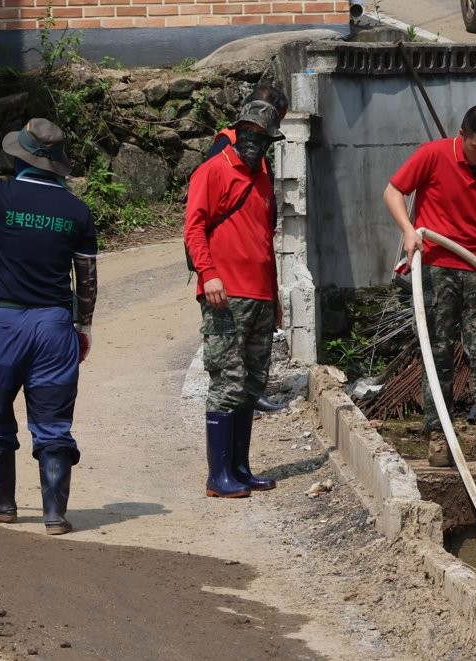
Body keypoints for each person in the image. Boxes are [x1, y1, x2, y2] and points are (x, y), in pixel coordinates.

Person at [0, 118, 98, 535]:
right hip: (54, 326)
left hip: (5, 325)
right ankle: (54, 513)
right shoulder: (76, 211)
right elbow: (86, 280)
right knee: (53, 422)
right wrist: (82, 329)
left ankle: (2, 501)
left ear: (19, 156)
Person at [384, 103, 476, 467]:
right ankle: (439, 438)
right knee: (437, 354)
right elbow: (393, 191)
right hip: (436, 266)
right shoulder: (433, 155)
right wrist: (408, 230)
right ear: (462, 135)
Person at [184, 99, 286, 498]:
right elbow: (194, 228)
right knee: (227, 381)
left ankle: (240, 468)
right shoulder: (212, 171)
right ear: (236, 131)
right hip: (225, 294)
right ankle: (218, 476)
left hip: (260, 296)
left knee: (250, 384)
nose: (254, 142)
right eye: (249, 133)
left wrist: (274, 297)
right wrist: (208, 274)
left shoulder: (263, 178)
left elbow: (265, 242)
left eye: (262, 137)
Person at [205, 84, 290, 415]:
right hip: (229, 280)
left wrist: (274, 294)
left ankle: (238, 461)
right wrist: (208, 272)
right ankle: (224, 464)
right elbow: (197, 222)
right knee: (229, 371)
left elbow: (264, 234)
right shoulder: (223, 153)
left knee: (250, 367)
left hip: (258, 281)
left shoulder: (260, 164)